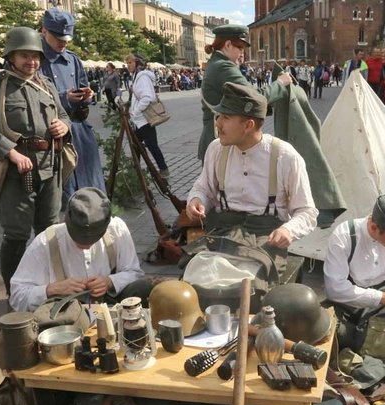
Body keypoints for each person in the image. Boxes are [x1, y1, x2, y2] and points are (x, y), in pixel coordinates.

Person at [0, 27, 71, 295]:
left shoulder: (46, 85)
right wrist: (10, 151)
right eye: (24, 55)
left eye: (35, 56)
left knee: (48, 232)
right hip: (13, 172)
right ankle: (14, 294)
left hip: (50, 168)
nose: (32, 62)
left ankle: (47, 290)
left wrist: (64, 126)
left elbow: (63, 115)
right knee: (16, 236)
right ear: (11, 56)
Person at [186, 82, 317, 272]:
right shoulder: (216, 149)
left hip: (265, 241)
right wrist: (197, 200)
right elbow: (203, 188)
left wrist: (288, 230)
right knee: (195, 275)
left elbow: (307, 211)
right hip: (225, 235)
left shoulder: (285, 156)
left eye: (225, 117)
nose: (218, 123)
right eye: (218, 116)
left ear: (248, 125)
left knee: (249, 287)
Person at [10, 188, 153, 312]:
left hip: (111, 305)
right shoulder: (45, 242)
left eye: (94, 239)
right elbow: (17, 297)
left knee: (142, 288)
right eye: (78, 238)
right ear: (65, 220)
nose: (86, 245)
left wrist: (110, 281)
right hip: (65, 313)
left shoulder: (116, 229)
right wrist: (52, 289)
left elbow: (135, 274)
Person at [39, 7, 106, 207]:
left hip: (78, 133)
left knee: (90, 193)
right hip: (51, 136)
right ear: (44, 31)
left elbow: (82, 87)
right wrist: (64, 98)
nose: (63, 43)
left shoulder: (73, 59)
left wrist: (86, 96)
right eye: (58, 37)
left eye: (67, 38)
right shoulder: (36, 60)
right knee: (61, 199)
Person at [198, 24, 291, 162]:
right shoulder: (223, 66)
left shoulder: (217, 63)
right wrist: (280, 83)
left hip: (220, 136)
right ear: (228, 44)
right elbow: (254, 97)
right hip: (221, 139)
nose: (243, 54)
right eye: (240, 48)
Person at [127, 53, 171, 179]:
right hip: (139, 120)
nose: (128, 65)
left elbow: (147, 97)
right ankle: (136, 172)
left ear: (138, 64)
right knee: (136, 146)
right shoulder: (136, 76)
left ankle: (163, 170)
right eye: (127, 63)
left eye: (130, 62)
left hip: (144, 119)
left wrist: (135, 111)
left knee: (151, 145)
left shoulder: (142, 77)